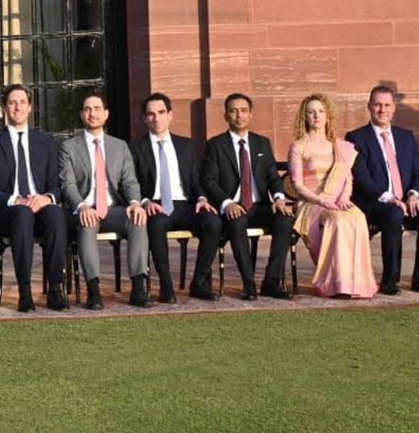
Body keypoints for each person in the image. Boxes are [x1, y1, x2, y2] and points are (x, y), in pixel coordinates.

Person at [199, 93, 296, 301]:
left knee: (285, 219)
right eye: (233, 111)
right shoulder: (215, 145)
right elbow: (209, 180)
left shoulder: (262, 143)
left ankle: (272, 280)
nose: (239, 115)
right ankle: (248, 284)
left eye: (243, 111)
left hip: (260, 205)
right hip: (233, 206)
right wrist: (226, 203)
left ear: (250, 115)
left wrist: (279, 198)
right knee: (236, 222)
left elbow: (272, 176)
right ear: (225, 115)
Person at [346, 85, 419, 295]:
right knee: (393, 213)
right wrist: (389, 198)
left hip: (407, 200)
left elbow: (418, 172)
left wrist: (414, 194)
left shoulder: (406, 137)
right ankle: (391, 277)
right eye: (377, 105)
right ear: (369, 106)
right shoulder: (356, 137)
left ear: (394, 108)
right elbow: (361, 179)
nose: (382, 110)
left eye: (387, 105)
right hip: (374, 201)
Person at [0, 85, 68, 312]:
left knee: (56, 213)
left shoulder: (45, 141)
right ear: (4, 108)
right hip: (7, 210)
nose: (17, 107)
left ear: (30, 107)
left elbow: (56, 186)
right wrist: (15, 200)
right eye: (12, 102)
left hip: (38, 205)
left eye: (22, 102)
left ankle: (55, 287)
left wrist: (47, 198)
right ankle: (25, 290)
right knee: (22, 214)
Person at [58, 92, 146, 310]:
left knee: (138, 220)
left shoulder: (120, 146)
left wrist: (135, 202)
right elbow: (67, 184)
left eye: (97, 109)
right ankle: (94, 290)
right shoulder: (69, 147)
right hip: (85, 208)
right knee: (87, 225)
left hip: (113, 208)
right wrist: (81, 206)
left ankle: (138, 287)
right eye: (87, 109)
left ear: (106, 114)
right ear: (81, 114)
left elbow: (129, 181)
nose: (92, 113)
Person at [130, 93, 220, 302]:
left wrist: (202, 199)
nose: (156, 118)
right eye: (151, 114)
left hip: (186, 204)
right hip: (156, 205)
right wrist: (145, 202)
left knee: (213, 222)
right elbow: (131, 182)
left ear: (170, 115)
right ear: (144, 119)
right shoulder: (135, 148)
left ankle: (198, 282)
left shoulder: (187, 146)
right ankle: (166, 286)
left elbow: (197, 180)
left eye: (161, 113)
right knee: (157, 225)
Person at [286, 93, 376, 299]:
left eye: (320, 111)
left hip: (338, 200)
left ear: (328, 115)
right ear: (304, 117)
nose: (316, 115)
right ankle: (335, 284)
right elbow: (297, 185)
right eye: (311, 112)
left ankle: (357, 284)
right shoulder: (299, 146)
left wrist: (345, 197)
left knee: (357, 218)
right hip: (311, 202)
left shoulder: (340, 146)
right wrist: (321, 200)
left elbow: (348, 178)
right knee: (337, 221)